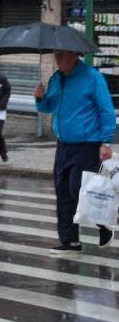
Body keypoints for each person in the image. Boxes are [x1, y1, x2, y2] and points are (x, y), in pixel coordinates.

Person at [34, 50, 115, 251]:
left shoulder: (92, 77)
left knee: (78, 189)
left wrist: (106, 142)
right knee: (62, 191)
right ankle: (69, 241)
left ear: (73, 56)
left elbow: (106, 110)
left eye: (60, 55)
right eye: (56, 55)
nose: (57, 59)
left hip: (87, 144)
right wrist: (41, 98)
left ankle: (103, 224)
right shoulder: (56, 79)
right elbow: (48, 107)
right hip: (63, 144)